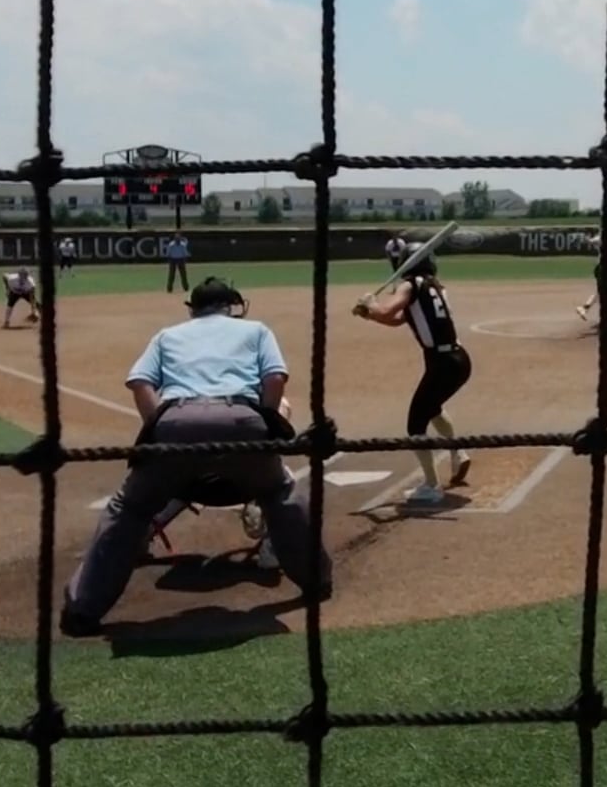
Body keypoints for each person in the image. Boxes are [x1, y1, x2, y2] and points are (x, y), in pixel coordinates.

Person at [59, 277, 332, 637]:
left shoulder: (167, 335)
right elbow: (275, 380)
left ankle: (83, 609)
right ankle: (316, 580)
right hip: (241, 420)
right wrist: (266, 431)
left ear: (193, 309)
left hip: (176, 421)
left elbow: (139, 383)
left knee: (130, 508)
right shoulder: (255, 330)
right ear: (231, 306)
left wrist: (158, 429)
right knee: (279, 493)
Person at [352, 255, 473, 509]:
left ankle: (431, 486)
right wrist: (370, 314)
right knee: (432, 408)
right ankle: (458, 453)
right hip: (457, 359)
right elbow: (397, 319)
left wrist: (371, 303)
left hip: (443, 363)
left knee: (415, 423)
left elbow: (387, 311)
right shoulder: (434, 288)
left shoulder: (410, 286)